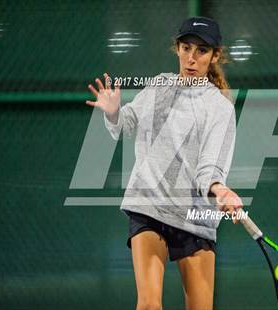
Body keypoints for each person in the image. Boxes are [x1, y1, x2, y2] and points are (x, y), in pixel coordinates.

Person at [86, 16, 243, 310]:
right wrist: (112, 113)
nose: (191, 58)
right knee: (148, 306)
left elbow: (210, 166)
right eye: (186, 48)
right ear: (178, 49)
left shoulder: (220, 108)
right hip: (150, 204)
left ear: (215, 55)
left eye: (201, 51)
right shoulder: (159, 86)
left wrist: (219, 189)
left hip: (194, 216)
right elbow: (127, 123)